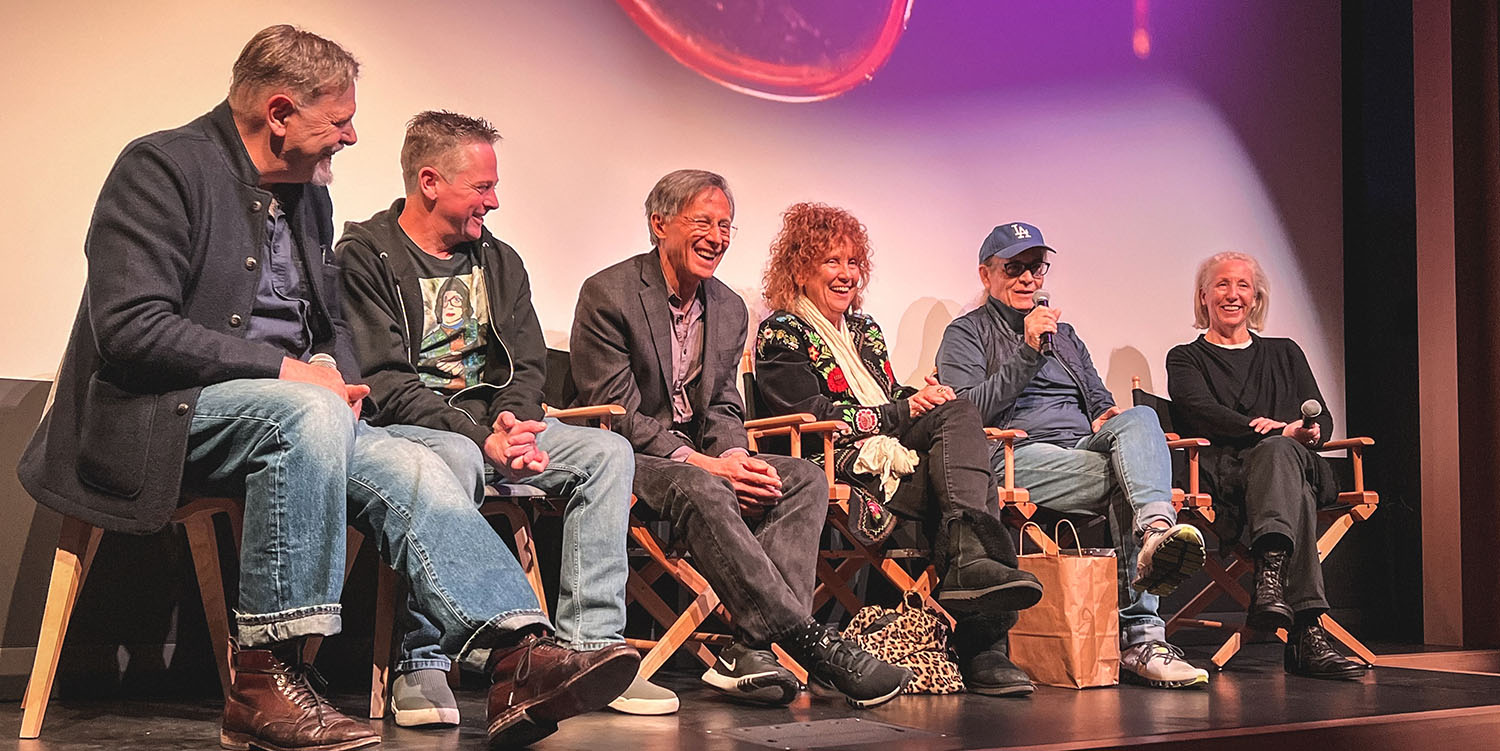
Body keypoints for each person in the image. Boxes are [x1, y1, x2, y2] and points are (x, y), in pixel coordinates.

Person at [17, 27, 635, 750]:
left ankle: (516, 655)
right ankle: (266, 680)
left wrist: (340, 380)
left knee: (415, 460)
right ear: (279, 113)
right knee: (304, 410)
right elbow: (129, 328)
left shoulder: (308, 197)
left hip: (290, 420)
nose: (351, 135)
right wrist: (287, 373)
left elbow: (330, 323)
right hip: (159, 415)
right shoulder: (160, 168)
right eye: (338, 120)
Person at [338, 110, 673, 720]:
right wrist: (479, 436)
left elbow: (526, 364)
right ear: (430, 181)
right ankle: (424, 663)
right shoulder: (367, 254)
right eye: (482, 187)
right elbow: (382, 379)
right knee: (454, 456)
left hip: (493, 429)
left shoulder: (500, 260)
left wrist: (514, 423)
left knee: (606, 453)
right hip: (409, 431)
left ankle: (589, 652)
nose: (494, 200)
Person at [570, 170, 912, 708]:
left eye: (726, 225)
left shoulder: (728, 307)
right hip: (631, 456)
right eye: (702, 222)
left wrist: (733, 454)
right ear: (660, 224)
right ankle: (811, 641)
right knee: (698, 485)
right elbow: (618, 413)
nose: (717, 236)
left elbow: (726, 403)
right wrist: (706, 466)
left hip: (702, 455)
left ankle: (751, 652)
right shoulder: (608, 293)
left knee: (802, 478)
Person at [752, 202, 1044, 696]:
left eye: (852, 263)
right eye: (831, 262)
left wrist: (919, 400)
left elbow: (887, 401)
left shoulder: (865, 331)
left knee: (958, 413)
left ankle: (973, 572)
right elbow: (814, 413)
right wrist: (907, 411)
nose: (846, 275)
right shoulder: (781, 332)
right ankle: (984, 648)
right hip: (834, 462)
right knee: (976, 484)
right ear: (801, 268)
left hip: (886, 449)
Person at [936, 221, 1210, 689]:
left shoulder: (1065, 335)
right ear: (986, 274)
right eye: (1014, 268)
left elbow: (1099, 401)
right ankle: (1142, 637)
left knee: (1142, 421)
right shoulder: (966, 333)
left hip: (1081, 448)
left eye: (1036, 268)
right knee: (1133, 477)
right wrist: (1024, 351)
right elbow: (966, 413)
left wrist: (1107, 415)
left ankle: (1155, 532)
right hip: (1016, 456)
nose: (1028, 279)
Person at [1165, 252, 1364, 680]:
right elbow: (1198, 412)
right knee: (1292, 484)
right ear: (1203, 296)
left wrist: (1307, 433)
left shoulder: (1285, 352)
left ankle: (1270, 578)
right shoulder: (1184, 358)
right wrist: (1273, 433)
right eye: (1221, 284)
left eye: (1242, 285)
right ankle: (1307, 633)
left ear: (1255, 298)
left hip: (1294, 466)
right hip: (1230, 477)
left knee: (1283, 459)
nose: (1232, 294)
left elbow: (1322, 421)